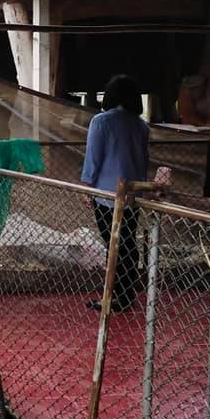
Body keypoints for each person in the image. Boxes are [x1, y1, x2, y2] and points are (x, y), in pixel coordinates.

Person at [81, 74, 149, 312]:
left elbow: (94, 157)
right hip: (132, 194)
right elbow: (143, 160)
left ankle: (114, 296)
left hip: (106, 194)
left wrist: (87, 186)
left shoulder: (101, 122)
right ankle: (126, 293)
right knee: (128, 244)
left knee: (113, 244)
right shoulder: (141, 125)